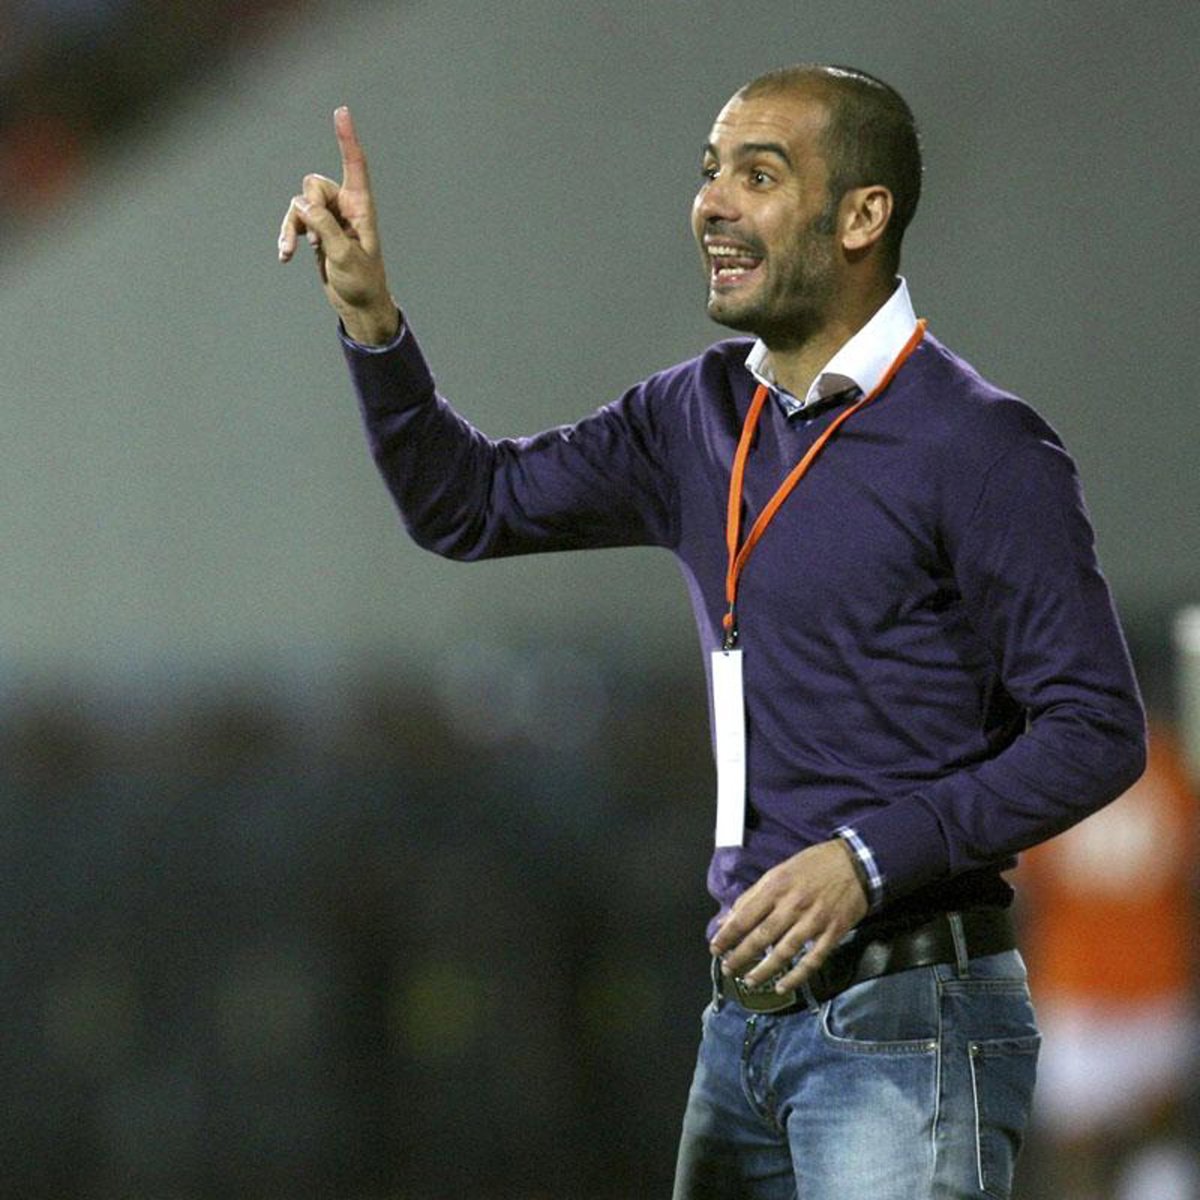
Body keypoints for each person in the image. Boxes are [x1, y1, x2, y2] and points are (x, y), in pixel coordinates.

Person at [278, 64, 1146, 1200]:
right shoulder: (692, 414)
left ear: (862, 216)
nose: (712, 204)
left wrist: (867, 860)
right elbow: (467, 504)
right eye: (709, 172)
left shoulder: (981, 446)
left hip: (910, 1016)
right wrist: (371, 319)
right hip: (742, 1026)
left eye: (759, 175)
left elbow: (1095, 730)